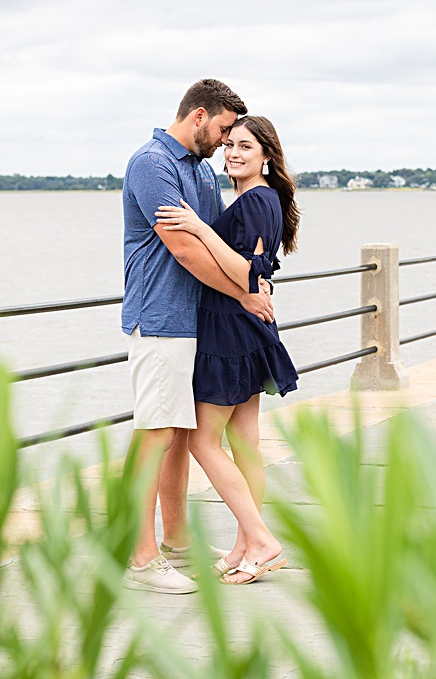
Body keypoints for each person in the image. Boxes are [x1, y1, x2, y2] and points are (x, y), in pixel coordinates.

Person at [120, 80, 273, 594]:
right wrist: (247, 292)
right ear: (200, 115)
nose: (226, 142)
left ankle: (177, 542)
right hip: (161, 318)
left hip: (199, 323)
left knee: (181, 435)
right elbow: (186, 249)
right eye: (225, 130)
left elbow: (221, 243)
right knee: (157, 432)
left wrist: (248, 282)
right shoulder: (152, 163)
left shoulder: (200, 172)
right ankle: (140, 559)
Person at [155, 115, 300, 585]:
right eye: (230, 145)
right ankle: (246, 547)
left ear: (267, 156)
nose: (233, 153)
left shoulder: (257, 200)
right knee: (245, 441)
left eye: (245, 147)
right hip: (243, 329)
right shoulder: (261, 198)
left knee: (202, 440)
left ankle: (260, 541)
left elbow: (249, 275)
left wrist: (198, 226)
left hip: (229, 331)